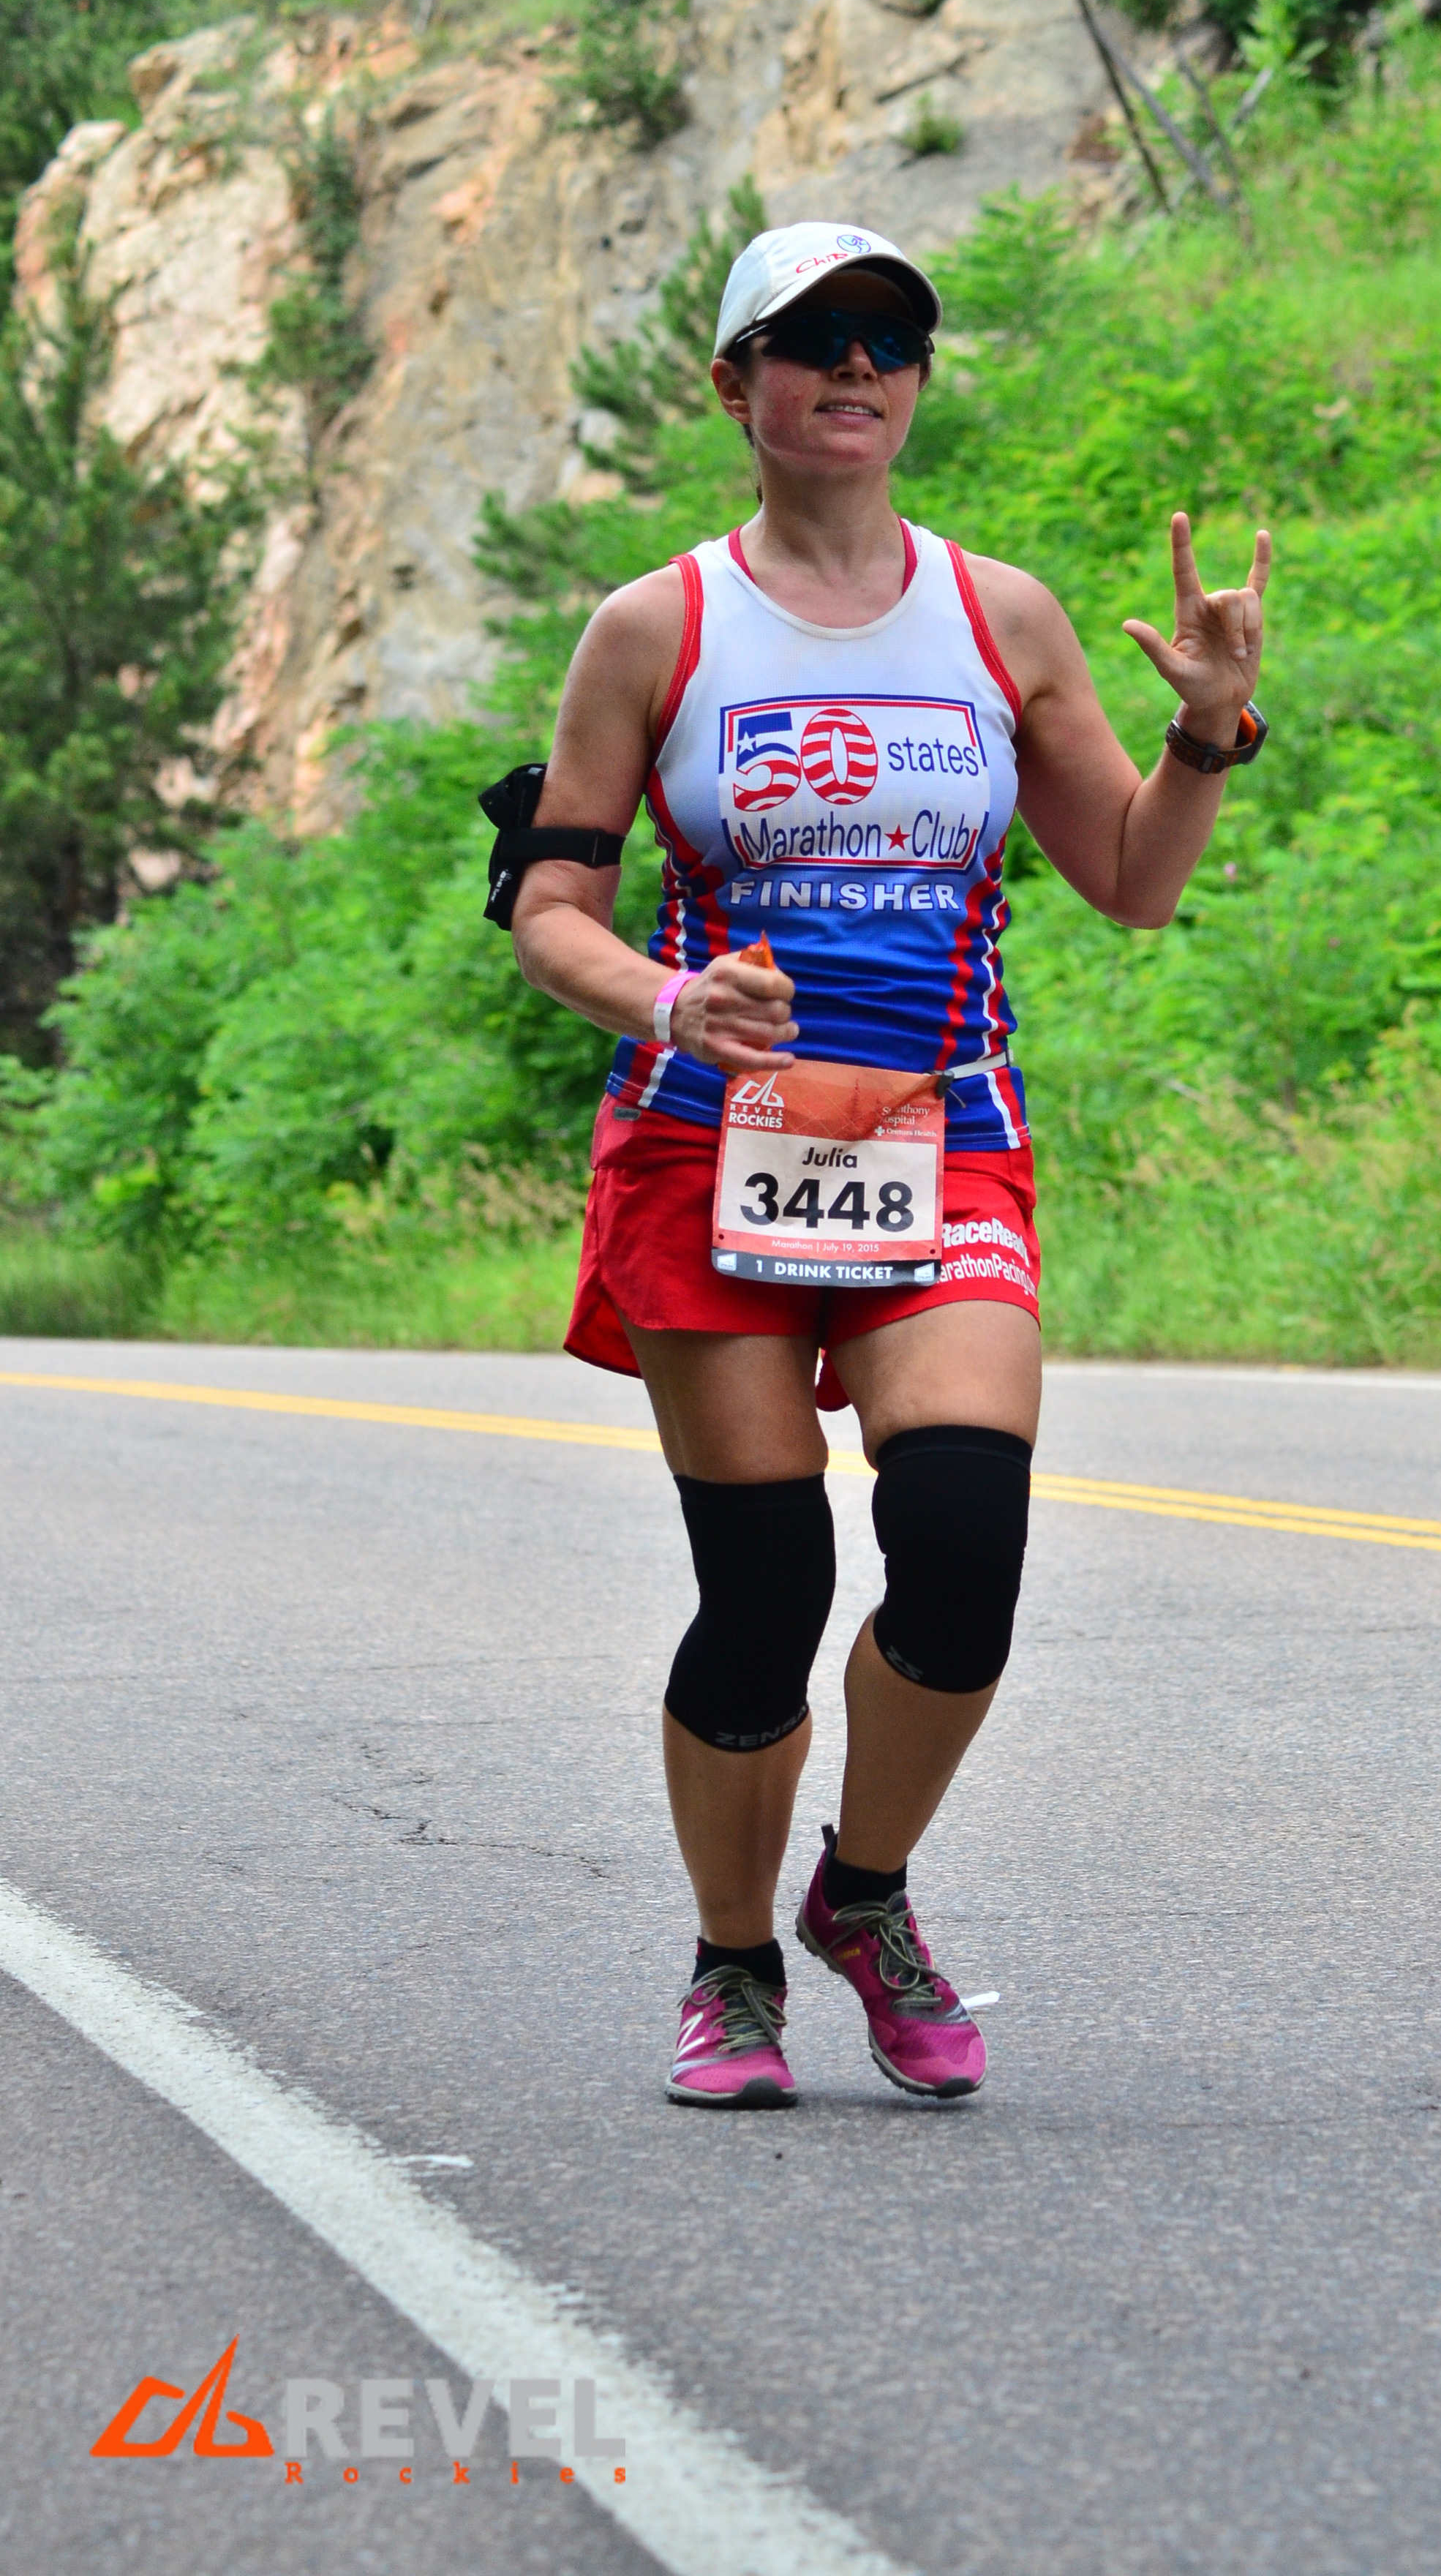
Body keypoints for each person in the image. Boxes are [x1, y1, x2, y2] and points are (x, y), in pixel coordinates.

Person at [505, 219, 1269, 2108]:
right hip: (710, 1144)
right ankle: (731, 1962)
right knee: (765, 1588)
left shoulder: (1000, 617)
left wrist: (1206, 731)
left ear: (917, 383)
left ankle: (863, 1894)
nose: (857, 367)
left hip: (944, 1139)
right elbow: (551, 908)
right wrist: (670, 1000)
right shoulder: (657, 627)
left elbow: (1132, 882)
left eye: (891, 340)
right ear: (735, 383)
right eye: (814, 337)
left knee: (962, 1547)